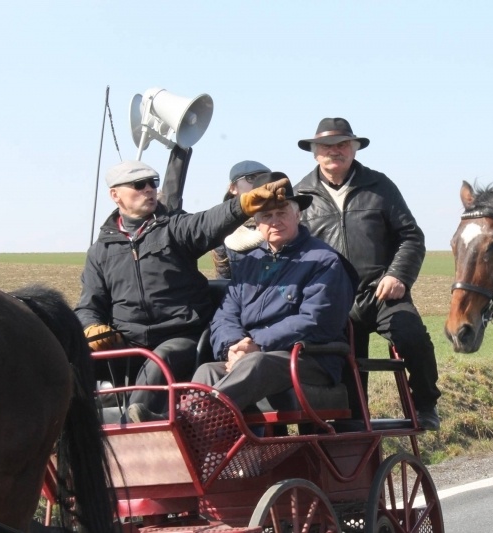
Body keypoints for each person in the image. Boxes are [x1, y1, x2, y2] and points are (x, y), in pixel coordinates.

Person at [126, 173, 355, 422]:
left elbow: (315, 320)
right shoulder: (250, 263)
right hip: (251, 356)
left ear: (297, 214)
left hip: (309, 359)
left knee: (256, 364)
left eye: (282, 213)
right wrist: (233, 346)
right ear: (256, 223)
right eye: (266, 216)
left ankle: (181, 422)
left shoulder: (324, 261)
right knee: (207, 372)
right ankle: (207, 454)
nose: (275, 221)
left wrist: (257, 343)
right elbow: (225, 314)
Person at [76, 160, 287, 416]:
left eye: (152, 184)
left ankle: (136, 426)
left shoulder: (174, 228)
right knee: (71, 360)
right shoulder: (101, 251)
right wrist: (90, 328)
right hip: (129, 343)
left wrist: (241, 206)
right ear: (115, 195)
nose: (149, 190)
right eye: (138, 185)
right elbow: (89, 304)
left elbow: (208, 223)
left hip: (182, 338)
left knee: (160, 360)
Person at [293, 117, 442, 431]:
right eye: (327, 146)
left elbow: (411, 236)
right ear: (315, 152)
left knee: (412, 336)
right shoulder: (300, 196)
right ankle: (351, 435)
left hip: (382, 292)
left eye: (343, 144)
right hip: (334, 300)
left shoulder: (380, 187)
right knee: (343, 367)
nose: (335, 151)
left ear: (355, 149)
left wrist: (398, 275)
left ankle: (426, 404)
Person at [212, 160, 270, 280]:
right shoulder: (222, 228)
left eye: (265, 178)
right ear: (233, 188)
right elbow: (224, 281)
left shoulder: (282, 222)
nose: (259, 183)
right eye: (251, 178)